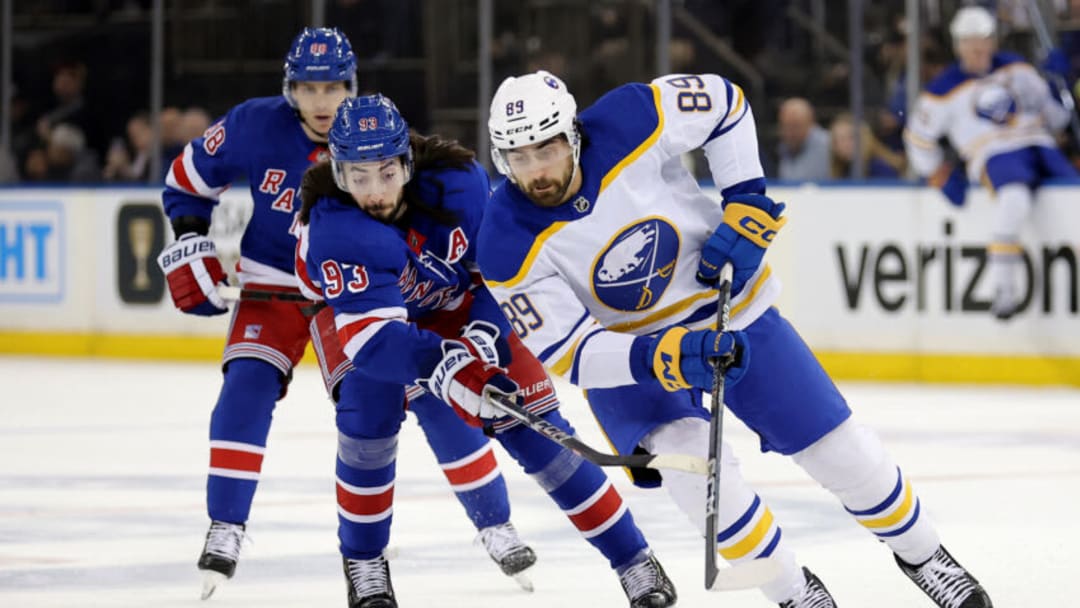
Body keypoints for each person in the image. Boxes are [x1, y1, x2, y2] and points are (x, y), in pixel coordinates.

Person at [477, 70, 995, 608]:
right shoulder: (504, 242)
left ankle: (925, 555)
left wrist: (745, 198)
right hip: (631, 358)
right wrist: (666, 356)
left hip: (725, 306)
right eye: (519, 157)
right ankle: (794, 593)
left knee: (843, 453)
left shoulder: (630, 117)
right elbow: (574, 353)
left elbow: (725, 104)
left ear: (573, 134)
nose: (536, 170)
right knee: (698, 478)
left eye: (547, 148)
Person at [156, 27, 535, 599]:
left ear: (351, 86)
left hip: (353, 292)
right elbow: (186, 182)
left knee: (418, 395)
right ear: (290, 89)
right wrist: (191, 239)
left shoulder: (373, 136)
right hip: (273, 282)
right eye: (308, 88)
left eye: (333, 86)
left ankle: (495, 524)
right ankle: (226, 525)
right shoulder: (253, 124)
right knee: (247, 386)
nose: (321, 101)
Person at [297, 93, 676, 608]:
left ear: (406, 161)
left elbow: (500, 280)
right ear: (339, 174)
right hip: (362, 318)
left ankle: (635, 560)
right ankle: (365, 564)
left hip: (459, 305)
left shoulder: (460, 186)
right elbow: (374, 342)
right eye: (357, 177)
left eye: (386, 173)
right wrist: (452, 370)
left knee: (539, 434)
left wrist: (481, 340)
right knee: (368, 423)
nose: (374, 193)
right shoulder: (335, 228)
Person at [904, 5, 1077, 320]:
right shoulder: (943, 89)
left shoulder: (1016, 68)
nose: (978, 47)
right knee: (1014, 201)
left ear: (993, 40)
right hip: (992, 153)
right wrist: (937, 173)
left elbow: (1057, 118)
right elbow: (918, 138)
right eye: (970, 41)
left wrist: (1056, 82)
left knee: (1074, 196)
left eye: (983, 39)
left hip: (1038, 142)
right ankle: (1004, 290)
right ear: (958, 45)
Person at [827, 112, 907, 179]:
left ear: (864, 137)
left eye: (851, 137)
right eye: (839, 139)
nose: (845, 144)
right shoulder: (842, 170)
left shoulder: (879, 168)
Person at [775, 97, 831, 182]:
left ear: (811, 123)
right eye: (786, 126)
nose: (790, 132)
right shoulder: (784, 147)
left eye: (796, 126)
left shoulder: (829, 145)